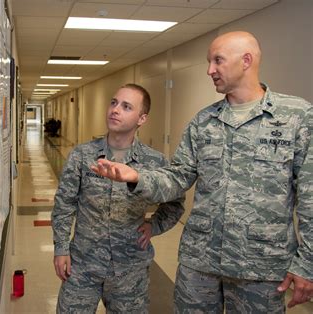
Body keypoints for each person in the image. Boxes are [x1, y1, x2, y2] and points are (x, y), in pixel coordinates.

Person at [92, 31, 313, 313]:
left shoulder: (296, 117)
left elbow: (310, 197)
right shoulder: (204, 121)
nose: (210, 70)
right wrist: (137, 177)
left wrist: (307, 263)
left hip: (261, 267)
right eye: (209, 62)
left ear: (246, 61)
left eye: (217, 61)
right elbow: (178, 177)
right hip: (200, 263)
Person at [52, 84, 185, 313]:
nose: (115, 110)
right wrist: (61, 248)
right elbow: (64, 203)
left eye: (126, 107)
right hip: (83, 265)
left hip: (129, 270)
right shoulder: (83, 155)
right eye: (113, 103)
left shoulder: (155, 162)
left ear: (142, 118)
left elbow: (176, 202)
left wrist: (154, 226)